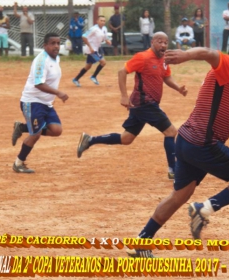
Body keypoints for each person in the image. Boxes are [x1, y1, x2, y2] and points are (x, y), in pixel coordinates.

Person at [126, 33, 229, 258]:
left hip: (185, 141)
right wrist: (185, 55)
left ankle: (142, 241)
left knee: (179, 195)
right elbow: (209, 54)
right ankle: (205, 208)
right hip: (204, 144)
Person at [76, 32, 188, 180]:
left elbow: (166, 77)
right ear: (152, 42)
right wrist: (123, 95)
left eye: (166, 42)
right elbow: (122, 71)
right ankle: (173, 170)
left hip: (144, 104)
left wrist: (178, 87)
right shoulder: (143, 57)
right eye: (159, 42)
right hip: (144, 103)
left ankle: (90, 140)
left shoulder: (164, 59)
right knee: (171, 132)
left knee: (126, 138)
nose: (163, 45)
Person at [11, 33, 69, 173]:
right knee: (35, 134)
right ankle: (18, 163)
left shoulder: (56, 58)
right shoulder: (41, 61)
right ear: (45, 45)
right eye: (52, 43)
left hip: (46, 103)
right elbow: (38, 84)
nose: (56, 46)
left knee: (56, 130)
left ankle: (22, 128)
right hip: (32, 102)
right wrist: (58, 92)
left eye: (58, 43)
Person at [72, 15, 111, 87]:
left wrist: (107, 41)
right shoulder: (94, 29)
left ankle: (76, 79)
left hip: (96, 49)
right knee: (103, 62)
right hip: (91, 50)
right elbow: (84, 36)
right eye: (101, 20)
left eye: (104, 21)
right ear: (97, 21)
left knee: (88, 66)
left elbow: (105, 37)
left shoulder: (104, 28)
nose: (103, 22)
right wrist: (90, 47)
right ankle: (93, 76)